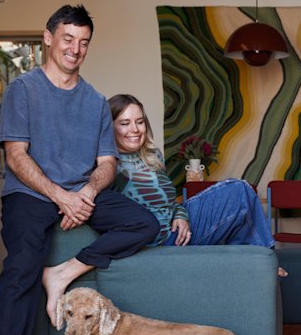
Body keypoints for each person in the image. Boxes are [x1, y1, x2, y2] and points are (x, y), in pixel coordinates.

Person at [0, 6, 160, 335]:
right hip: (31, 193)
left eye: (83, 42)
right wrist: (61, 197)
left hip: (80, 192)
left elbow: (107, 163)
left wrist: (86, 194)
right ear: (49, 38)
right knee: (22, 260)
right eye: (68, 39)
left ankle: (64, 272)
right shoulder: (24, 89)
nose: (75, 48)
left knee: (145, 224)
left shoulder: (96, 102)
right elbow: (16, 156)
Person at [109, 93, 285, 260]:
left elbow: (167, 200)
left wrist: (180, 214)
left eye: (139, 122)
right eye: (124, 123)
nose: (134, 129)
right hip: (160, 238)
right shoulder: (110, 165)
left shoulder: (152, 155)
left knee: (240, 188)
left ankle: (257, 260)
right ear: (109, 127)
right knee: (238, 192)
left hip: (177, 225)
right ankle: (263, 261)